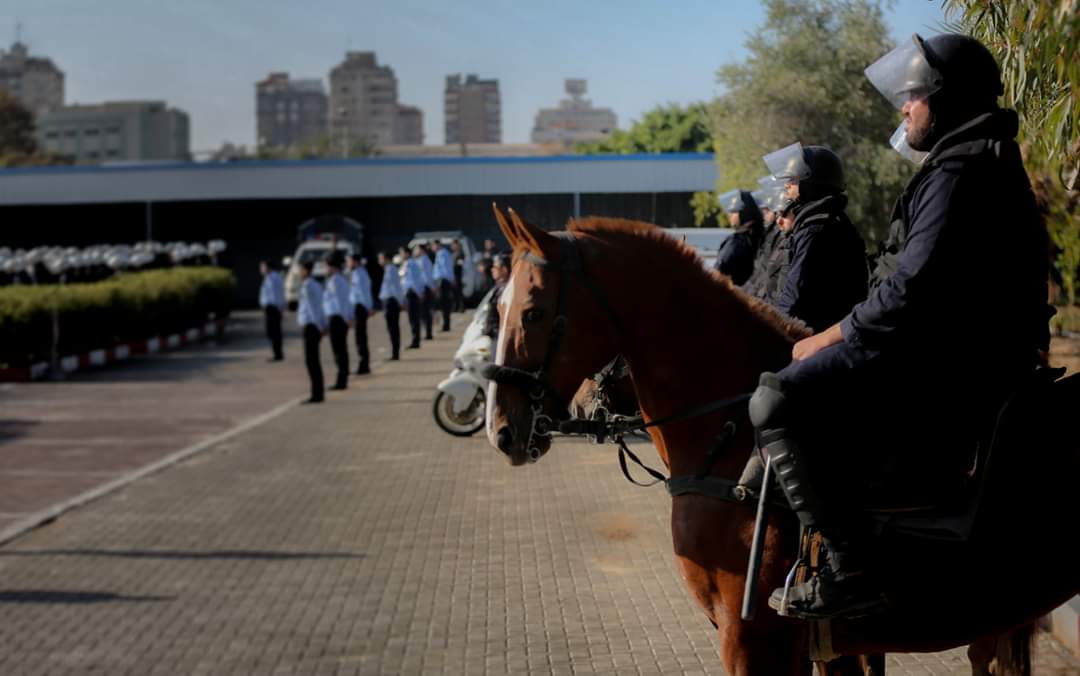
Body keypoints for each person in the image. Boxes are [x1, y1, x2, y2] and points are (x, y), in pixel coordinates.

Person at [751, 33, 1050, 620]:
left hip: (942, 363)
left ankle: (847, 565)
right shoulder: (965, 162)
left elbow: (909, 291)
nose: (903, 107)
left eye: (914, 95)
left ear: (948, 97)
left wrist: (829, 336)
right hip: (940, 348)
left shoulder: (960, 171)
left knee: (775, 399)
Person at [760, 142, 868, 333]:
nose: (786, 185)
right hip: (813, 331)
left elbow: (794, 299)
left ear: (811, 183)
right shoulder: (819, 223)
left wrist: (767, 331)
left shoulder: (817, 231)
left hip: (817, 336)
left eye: (793, 179)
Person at [714, 189, 764, 286]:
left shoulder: (737, 242)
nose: (730, 215)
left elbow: (718, 272)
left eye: (734, 211)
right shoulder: (759, 235)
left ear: (745, 212)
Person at [296, 260, 326, 404]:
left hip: (312, 326)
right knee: (314, 361)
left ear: (306, 271)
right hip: (315, 326)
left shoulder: (307, 286)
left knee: (311, 361)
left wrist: (319, 326)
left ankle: (316, 394)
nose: (298, 273)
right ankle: (318, 392)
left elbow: (313, 308)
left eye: (300, 270)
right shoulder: (315, 284)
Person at [323, 252, 351, 390]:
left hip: (337, 319)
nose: (325, 269)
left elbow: (341, 302)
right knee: (341, 350)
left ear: (332, 266)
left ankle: (342, 380)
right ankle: (343, 377)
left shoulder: (335, 281)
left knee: (339, 350)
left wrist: (346, 319)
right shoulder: (340, 279)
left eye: (327, 266)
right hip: (339, 318)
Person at [347, 253, 373, 375]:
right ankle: (364, 363)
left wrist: (368, 307)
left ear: (355, 262)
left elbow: (363, 292)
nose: (348, 264)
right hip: (360, 307)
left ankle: (364, 364)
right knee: (360, 336)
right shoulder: (359, 273)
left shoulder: (358, 274)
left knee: (360, 337)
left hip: (360, 307)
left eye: (349, 261)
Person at [377, 251, 404, 360]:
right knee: (392, 328)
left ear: (386, 259)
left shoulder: (391, 270)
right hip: (389, 301)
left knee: (393, 328)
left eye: (381, 258)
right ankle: (394, 352)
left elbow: (395, 288)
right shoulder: (388, 269)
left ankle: (395, 353)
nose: (380, 261)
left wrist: (400, 302)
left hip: (391, 302)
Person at [258, 259, 285, 362]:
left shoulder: (273, 277)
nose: (261, 269)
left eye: (263, 267)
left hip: (274, 307)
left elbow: (276, 294)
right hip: (271, 307)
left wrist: (280, 307)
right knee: (272, 331)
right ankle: (277, 353)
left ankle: (278, 354)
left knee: (274, 331)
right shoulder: (269, 277)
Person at [400, 246, 425, 349]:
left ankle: (415, 340)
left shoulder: (410, 264)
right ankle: (415, 339)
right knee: (413, 318)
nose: (401, 255)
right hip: (412, 292)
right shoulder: (411, 263)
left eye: (402, 253)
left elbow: (412, 280)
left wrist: (418, 293)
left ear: (407, 253)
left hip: (412, 293)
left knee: (413, 318)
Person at [482, 253, 511, 340]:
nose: (492, 270)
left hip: (500, 336)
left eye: (495, 267)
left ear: (505, 269)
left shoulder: (507, 291)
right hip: (494, 335)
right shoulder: (498, 288)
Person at [432, 240, 455, 332]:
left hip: (442, 281)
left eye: (433, 245)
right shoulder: (440, 253)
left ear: (437, 245)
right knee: (443, 304)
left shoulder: (442, 254)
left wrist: (448, 279)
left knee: (444, 304)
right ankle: (445, 324)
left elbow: (445, 268)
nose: (432, 248)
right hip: (442, 280)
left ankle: (446, 324)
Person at [415, 244, 436, 340]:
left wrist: (428, 288)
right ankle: (428, 332)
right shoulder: (422, 260)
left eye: (417, 249)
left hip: (425, 288)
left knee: (425, 312)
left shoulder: (423, 260)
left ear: (422, 250)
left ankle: (428, 333)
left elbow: (426, 276)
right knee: (425, 312)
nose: (415, 251)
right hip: (425, 288)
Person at [450, 240, 466, 312]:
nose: (452, 247)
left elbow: (460, 264)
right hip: (452, 275)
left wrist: (454, 266)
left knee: (459, 292)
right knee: (454, 293)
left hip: (458, 275)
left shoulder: (460, 254)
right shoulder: (452, 254)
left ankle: (461, 307)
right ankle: (455, 307)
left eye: (454, 245)